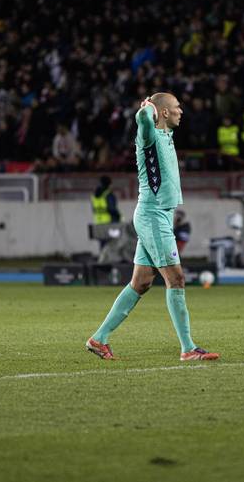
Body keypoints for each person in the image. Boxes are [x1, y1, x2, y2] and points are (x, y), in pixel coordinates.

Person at [86, 93, 219, 361]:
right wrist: (147, 109)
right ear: (164, 113)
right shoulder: (148, 137)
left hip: (158, 217)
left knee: (142, 282)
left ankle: (98, 339)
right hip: (153, 216)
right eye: (177, 107)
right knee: (176, 279)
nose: (182, 111)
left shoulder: (167, 136)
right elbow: (142, 120)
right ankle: (188, 348)